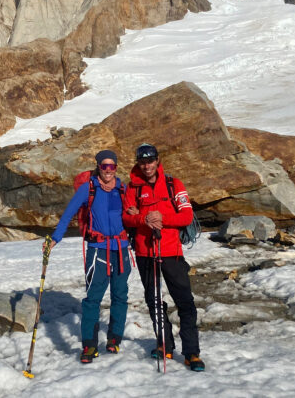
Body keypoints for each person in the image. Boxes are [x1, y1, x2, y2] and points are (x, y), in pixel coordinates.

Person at [122, 143, 205, 372]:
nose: (147, 165)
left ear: (157, 160)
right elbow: (126, 218)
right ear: (138, 162)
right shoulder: (132, 188)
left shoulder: (173, 184)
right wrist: (143, 219)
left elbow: (186, 216)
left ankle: (191, 352)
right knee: (154, 301)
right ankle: (164, 344)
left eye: (150, 160)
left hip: (171, 252)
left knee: (185, 302)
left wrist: (161, 217)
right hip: (145, 252)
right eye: (142, 161)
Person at [45, 149, 131, 363]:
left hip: (121, 250)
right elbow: (68, 214)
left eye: (112, 166)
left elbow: (133, 215)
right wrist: (55, 238)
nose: (108, 170)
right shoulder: (88, 189)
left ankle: (114, 339)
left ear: (116, 168)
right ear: (99, 167)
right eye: (104, 166)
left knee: (120, 296)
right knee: (93, 299)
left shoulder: (123, 189)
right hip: (98, 250)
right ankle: (89, 346)